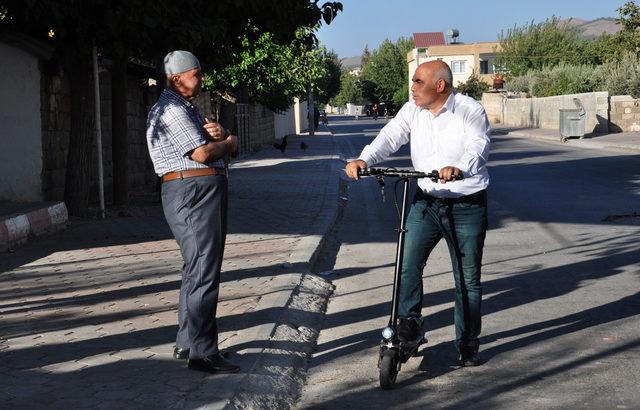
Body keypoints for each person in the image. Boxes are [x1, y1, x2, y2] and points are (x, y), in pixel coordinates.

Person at [345, 61, 490, 367]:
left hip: (466, 203)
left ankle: (468, 342)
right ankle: (409, 324)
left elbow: (478, 145)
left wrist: (460, 167)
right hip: (426, 200)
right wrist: (364, 159)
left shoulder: (469, 109)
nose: (412, 88)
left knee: (467, 279)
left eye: (418, 82)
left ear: (440, 86)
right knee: (408, 264)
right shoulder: (412, 110)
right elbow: (390, 136)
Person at [146, 50, 239, 374]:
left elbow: (218, 137)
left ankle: (187, 342)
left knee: (196, 267)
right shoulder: (171, 110)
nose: (201, 79)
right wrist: (228, 144)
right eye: (196, 74)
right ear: (177, 78)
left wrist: (225, 137)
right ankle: (203, 353)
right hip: (192, 193)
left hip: (196, 192)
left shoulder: (186, 109)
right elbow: (202, 152)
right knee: (203, 270)